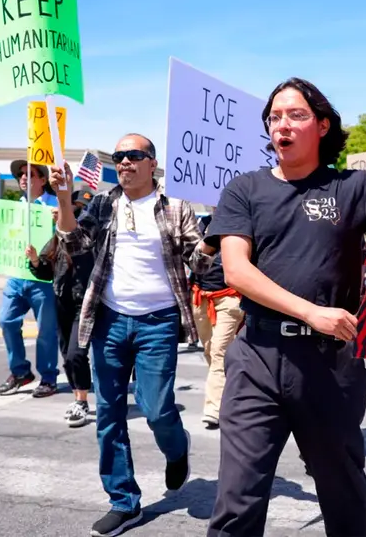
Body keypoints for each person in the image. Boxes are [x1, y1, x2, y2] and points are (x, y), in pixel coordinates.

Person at [205, 59, 366, 537]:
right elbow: (236, 269)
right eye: (274, 116)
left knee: (342, 493)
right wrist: (310, 312)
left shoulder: (351, 188)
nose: (282, 124)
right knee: (237, 501)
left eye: (295, 115)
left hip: (329, 366)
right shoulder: (244, 189)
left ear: (322, 125)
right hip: (257, 356)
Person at [50, 134, 215, 537]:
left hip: (157, 323)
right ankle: (124, 502)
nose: (124, 162)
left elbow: (200, 263)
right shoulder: (104, 204)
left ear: (152, 164)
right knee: (108, 414)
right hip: (108, 320)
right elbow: (73, 241)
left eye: (133, 155)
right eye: (119, 156)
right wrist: (64, 197)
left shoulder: (175, 207)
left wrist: (215, 238)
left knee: (157, 408)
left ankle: (177, 449)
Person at [25, 176, 95, 427]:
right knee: (67, 355)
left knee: (77, 354)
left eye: (82, 210)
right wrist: (35, 260)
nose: (77, 214)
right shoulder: (56, 239)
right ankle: (79, 396)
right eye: (74, 208)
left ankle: (83, 401)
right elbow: (45, 270)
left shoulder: (93, 239)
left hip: (86, 304)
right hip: (62, 301)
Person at [0, 160, 60, 398]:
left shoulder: (55, 206)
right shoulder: (13, 208)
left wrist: (60, 220)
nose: (23, 178)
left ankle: (48, 378)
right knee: (6, 320)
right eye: (21, 175)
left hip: (43, 279)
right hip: (16, 276)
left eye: (30, 174)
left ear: (42, 180)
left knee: (46, 331)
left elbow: (73, 231)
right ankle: (20, 372)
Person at [190, 213, 244, 430]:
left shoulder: (242, 221)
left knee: (220, 352)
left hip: (230, 297)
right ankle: (234, 394)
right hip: (200, 296)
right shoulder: (202, 224)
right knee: (211, 352)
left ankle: (214, 409)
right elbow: (191, 258)